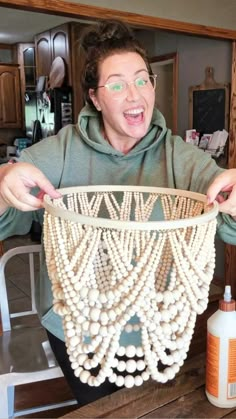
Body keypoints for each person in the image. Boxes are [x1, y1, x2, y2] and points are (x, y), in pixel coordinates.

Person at [1, 18, 236, 406]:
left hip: (158, 327)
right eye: (117, 84)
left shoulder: (180, 157)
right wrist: (4, 182)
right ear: (94, 97)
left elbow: (229, 224)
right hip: (76, 329)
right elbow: (8, 215)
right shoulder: (59, 153)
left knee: (153, 407)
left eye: (143, 80)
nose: (135, 95)